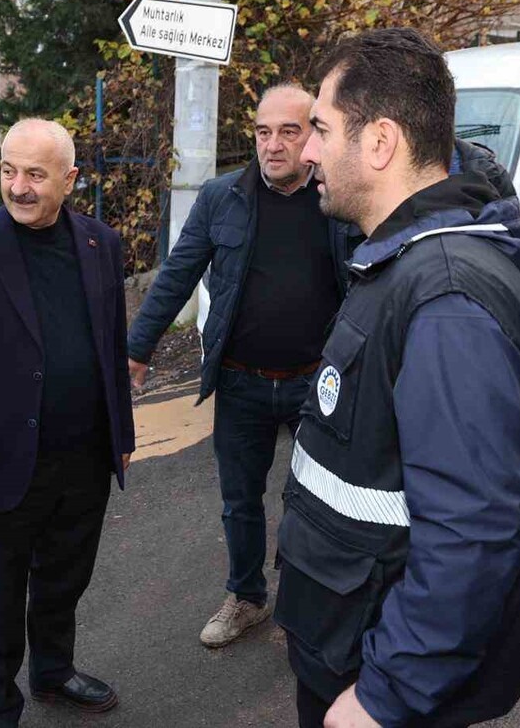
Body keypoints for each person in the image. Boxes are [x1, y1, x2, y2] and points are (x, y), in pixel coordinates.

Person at [274, 28, 520, 728]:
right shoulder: (402, 259)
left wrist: (385, 694)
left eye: (321, 128)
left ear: (380, 142)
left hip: (381, 681)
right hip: (349, 642)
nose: (307, 151)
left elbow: (477, 529)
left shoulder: (446, 294)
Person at [0, 119, 135, 727]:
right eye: (8, 171)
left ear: (69, 180)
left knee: (65, 577)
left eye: (35, 175)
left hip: (85, 455)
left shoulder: (102, 245)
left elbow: (109, 346)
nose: (17, 186)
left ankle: (53, 671)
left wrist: (121, 436)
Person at [127, 83, 344, 649]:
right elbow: (177, 274)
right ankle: (247, 597)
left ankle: (309, 600)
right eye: (262, 132)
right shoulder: (222, 197)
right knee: (239, 500)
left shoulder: (337, 198)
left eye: (289, 132)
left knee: (320, 499)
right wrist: (137, 348)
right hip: (241, 380)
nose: (272, 146)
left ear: (313, 136)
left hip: (317, 383)